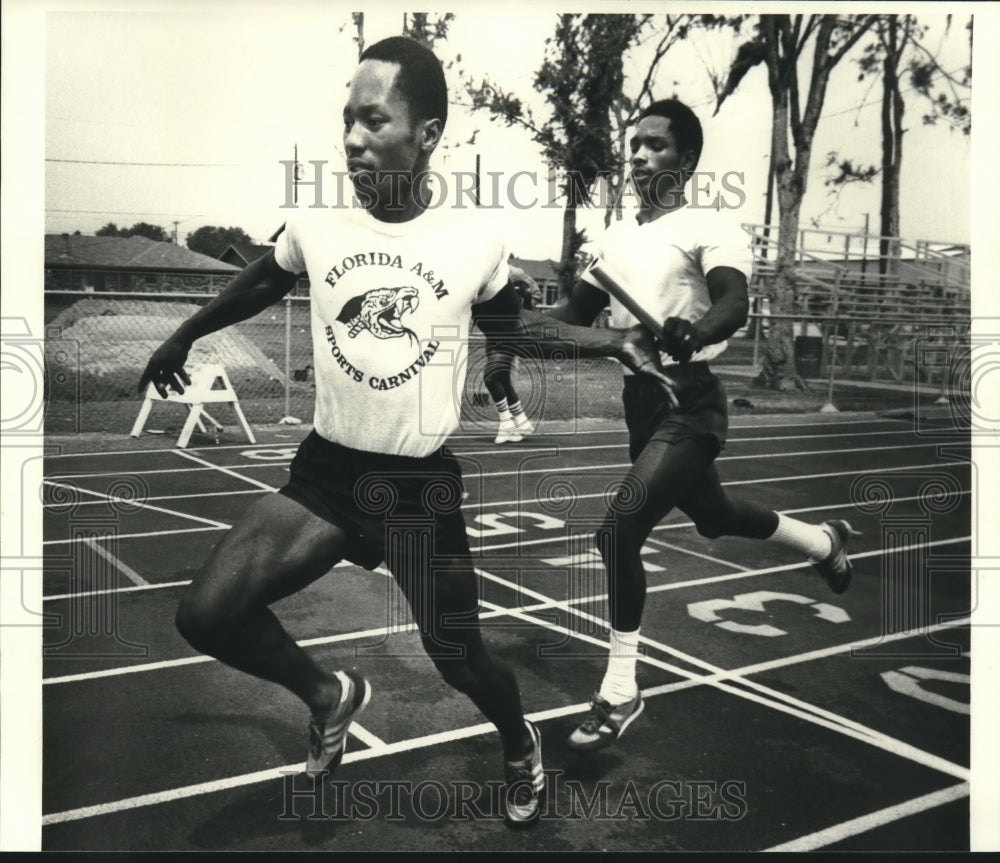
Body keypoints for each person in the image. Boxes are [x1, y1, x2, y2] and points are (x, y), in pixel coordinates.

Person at [137, 36, 673, 825]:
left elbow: (517, 330)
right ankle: (330, 695)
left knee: (460, 657)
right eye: (346, 119)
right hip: (326, 475)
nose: (353, 139)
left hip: (417, 488)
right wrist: (185, 332)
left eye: (374, 121)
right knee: (206, 614)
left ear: (425, 135)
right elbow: (262, 278)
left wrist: (613, 341)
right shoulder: (319, 223)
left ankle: (518, 738)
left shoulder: (471, 239)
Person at [544, 99, 858, 753]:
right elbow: (571, 312)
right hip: (642, 403)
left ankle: (622, 688)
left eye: (655, 146)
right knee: (713, 514)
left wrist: (697, 330)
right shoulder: (614, 240)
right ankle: (823, 542)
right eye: (634, 147)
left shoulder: (712, 226)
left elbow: (733, 302)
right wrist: (518, 311)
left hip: (690, 402)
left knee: (619, 528)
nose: (639, 157)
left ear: (686, 161)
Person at [481, 264, 543, 443]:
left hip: (509, 331)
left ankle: (507, 424)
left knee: (492, 377)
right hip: (492, 332)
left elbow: (535, 294)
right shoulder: (482, 274)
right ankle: (521, 423)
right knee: (502, 379)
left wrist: (519, 304)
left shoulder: (514, 272)